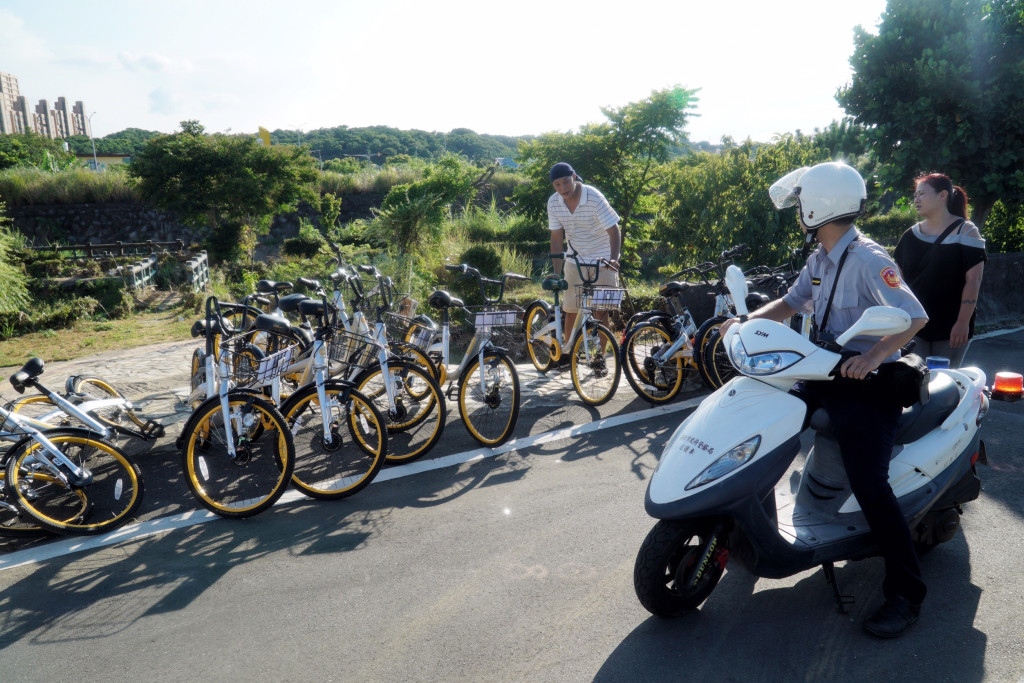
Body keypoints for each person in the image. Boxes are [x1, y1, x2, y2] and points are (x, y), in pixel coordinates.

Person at [720, 162, 929, 638]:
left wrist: (873, 356)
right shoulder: (820, 258)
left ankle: (906, 594)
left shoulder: (869, 258)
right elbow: (793, 304)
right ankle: (756, 530)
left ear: (819, 204)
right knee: (762, 427)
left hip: (866, 383)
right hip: (820, 370)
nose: (798, 212)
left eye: (801, 203)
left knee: (870, 484)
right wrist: (747, 323)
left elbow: (914, 316)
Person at [893, 173, 987, 368]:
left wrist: (962, 323)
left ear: (942, 195)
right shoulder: (910, 235)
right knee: (915, 387)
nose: (916, 200)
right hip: (914, 327)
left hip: (951, 328)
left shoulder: (967, 231)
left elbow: (974, 281)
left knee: (945, 386)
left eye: (922, 194)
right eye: (915, 195)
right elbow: (898, 282)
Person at [547, 162, 621, 343]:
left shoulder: (594, 197)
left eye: (565, 182)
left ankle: (600, 359)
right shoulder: (553, 202)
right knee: (570, 309)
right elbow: (556, 238)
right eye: (557, 185)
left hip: (602, 261)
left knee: (601, 312)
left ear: (573, 177)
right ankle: (569, 352)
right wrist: (557, 273)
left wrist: (614, 258)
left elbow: (614, 230)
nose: (562, 188)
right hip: (575, 261)